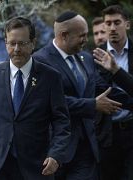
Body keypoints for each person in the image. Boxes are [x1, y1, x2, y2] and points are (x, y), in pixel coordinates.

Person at [0, 16, 71, 180]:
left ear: (32, 43)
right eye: (12, 43)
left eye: (22, 43)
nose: (16, 49)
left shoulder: (50, 77)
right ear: (6, 43)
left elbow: (62, 122)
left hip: (36, 166)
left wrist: (56, 155)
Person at [33, 11, 125, 180]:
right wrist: (91, 105)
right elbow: (46, 101)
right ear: (64, 35)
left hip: (87, 149)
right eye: (82, 35)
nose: (86, 39)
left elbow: (103, 89)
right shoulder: (40, 61)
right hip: (55, 150)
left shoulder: (86, 58)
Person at [94, 5, 133, 180]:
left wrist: (117, 70)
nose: (112, 28)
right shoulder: (93, 56)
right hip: (106, 135)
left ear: (127, 24)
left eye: (117, 22)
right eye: (108, 23)